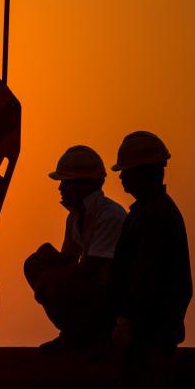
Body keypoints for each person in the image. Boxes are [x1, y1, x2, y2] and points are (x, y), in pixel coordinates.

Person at [109, 130, 192, 389]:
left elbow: (145, 277)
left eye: (127, 172)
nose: (123, 179)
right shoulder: (149, 213)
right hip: (153, 327)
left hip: (150, 330)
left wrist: (128, 321)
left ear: (144, 173)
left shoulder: (154, 218)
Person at [24, 145, 127, 350]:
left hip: (112, 297)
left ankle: (93, 335)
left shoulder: (109, 216)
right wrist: (47, 259)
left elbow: (95, 267)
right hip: (92, 287)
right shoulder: (75, 217)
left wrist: (50, 278)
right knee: (36, 263)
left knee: (56, 282)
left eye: (65, 183)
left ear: (83, 185)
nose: (60, 188)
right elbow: (69, 259)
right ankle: (73, 332)